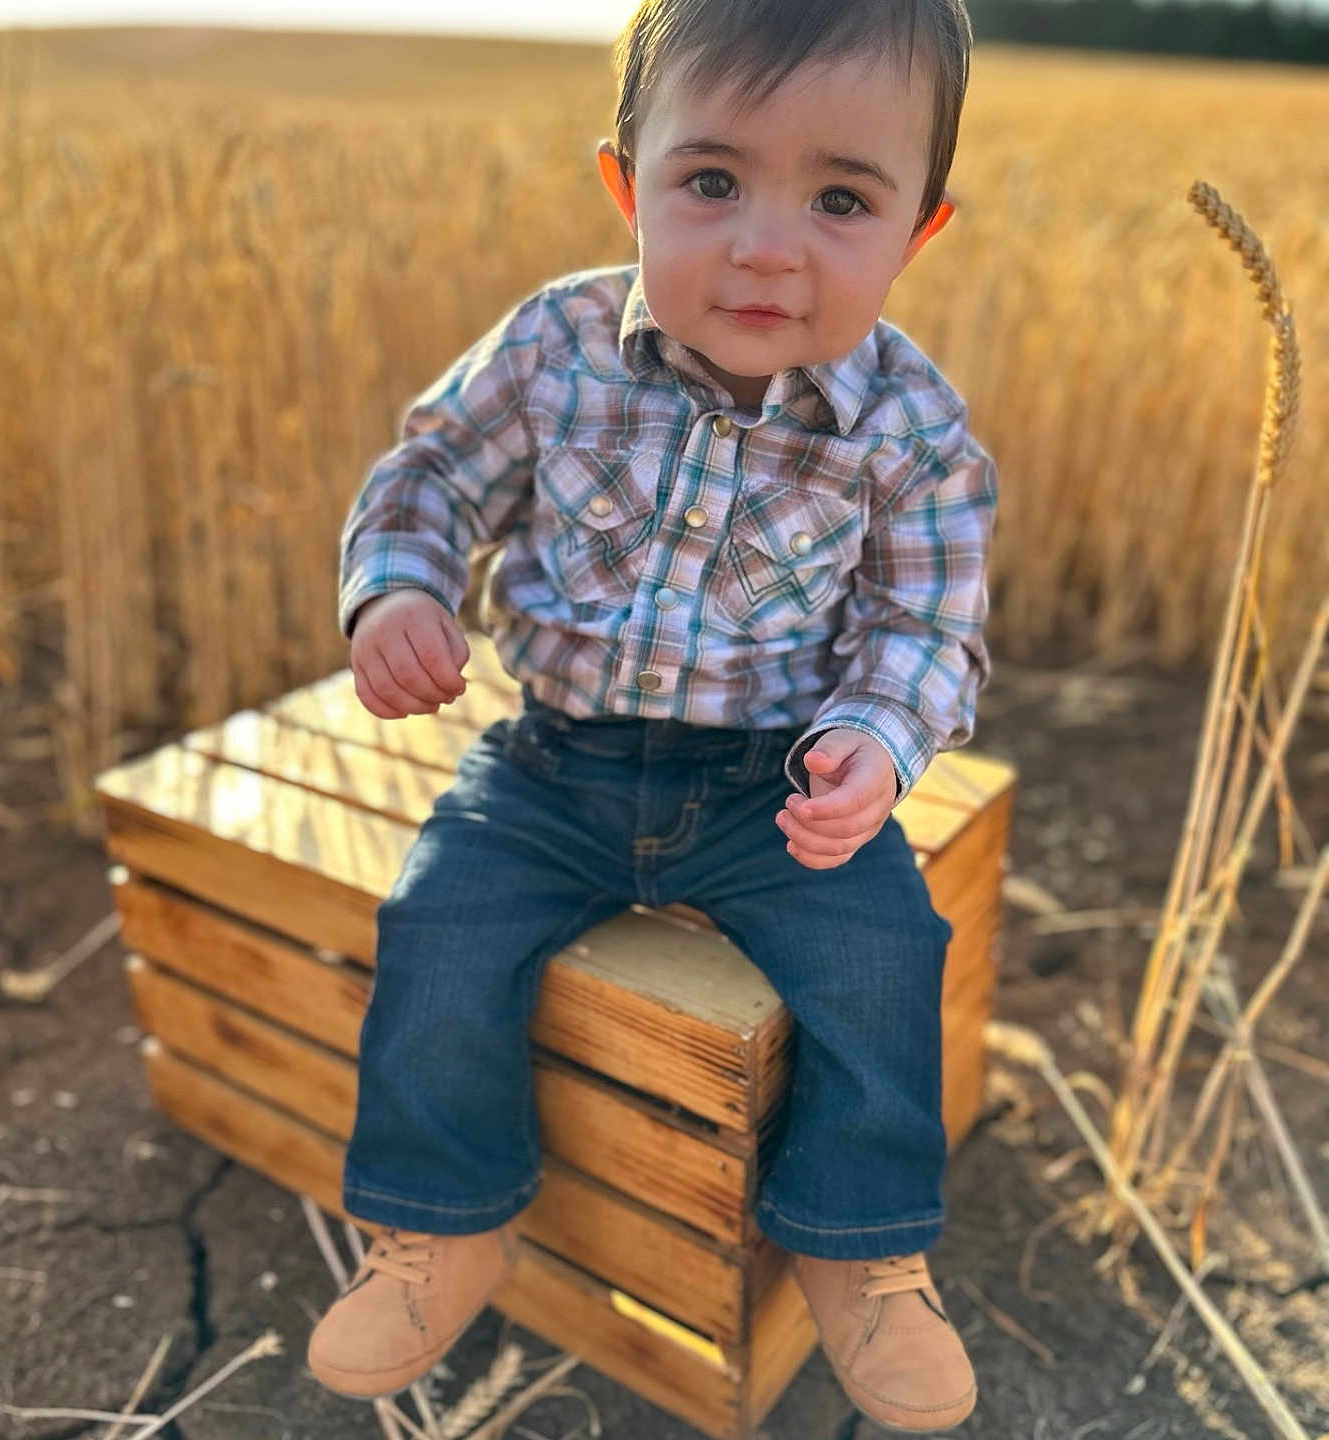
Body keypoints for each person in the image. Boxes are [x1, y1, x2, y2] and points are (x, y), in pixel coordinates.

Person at [309, 0, 997, 1430]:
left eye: (841, 199)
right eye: (711, 182)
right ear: (627, 181)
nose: (765, 242)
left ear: (918, 230)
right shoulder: (556, 348)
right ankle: (447, 1216)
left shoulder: (913, 431)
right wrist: (396, 593)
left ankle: (858, 1247)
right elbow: (430, 479)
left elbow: (925, 624)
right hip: (553, 764)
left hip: (769, 784)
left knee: (886, 948)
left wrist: (875, 742)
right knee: (439, 927)